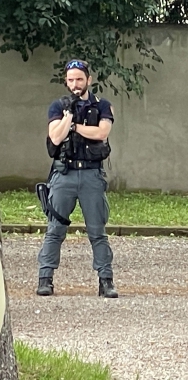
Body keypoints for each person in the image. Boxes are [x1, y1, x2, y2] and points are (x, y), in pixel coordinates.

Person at [36, 59, 117, 298]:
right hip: (64, 174)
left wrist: (73, 127)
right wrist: (69, 117)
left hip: (91, 174)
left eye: (79, 79)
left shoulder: (102, 105)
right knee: (55, 229)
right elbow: (55, 137)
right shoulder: (58, 106)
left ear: (88, 80)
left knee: (97, 231)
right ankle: (45, 278)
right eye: (70, 80)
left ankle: (106, 280)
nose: (75, 84)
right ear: (66, 81)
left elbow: (101, 132)